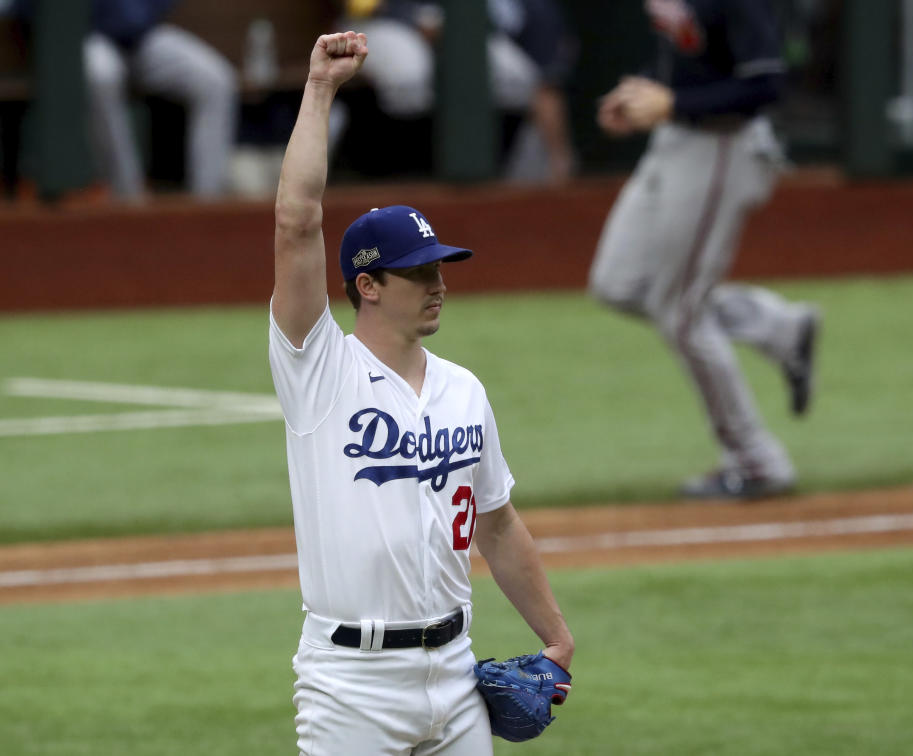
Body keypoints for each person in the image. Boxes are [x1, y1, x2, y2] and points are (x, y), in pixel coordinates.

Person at [268, 31, 574, 754]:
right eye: (416, 273)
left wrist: (556, 634)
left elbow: (497, 525)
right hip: (351, 685)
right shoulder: (320, 373)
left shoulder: (464, 390)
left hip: (456, 673)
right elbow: (296, 222)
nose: (438, 284)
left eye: (440, 268)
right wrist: (319, 90)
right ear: (367, 286)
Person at [588, 0, 820, 499]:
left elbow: (766, 84)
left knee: (680, 312)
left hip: (721, 149)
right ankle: (778, 325)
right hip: (674, 143)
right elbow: (686, 52)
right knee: (618, 284)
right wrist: (641, 91)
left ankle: (757, 460)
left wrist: (672, 104)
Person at [336, 0, 577, 184]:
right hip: (382, 21)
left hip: (460, 23)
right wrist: (414, 18)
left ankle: (493, 173)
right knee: (409, 77)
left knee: (517, 79)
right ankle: (395, 175)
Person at [82, 0, 237, 201]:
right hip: (88, 37)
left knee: (216, 80)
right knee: (101, 76)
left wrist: (136, 14)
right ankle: (128, 199)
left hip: (143, 36)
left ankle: (207, 202)